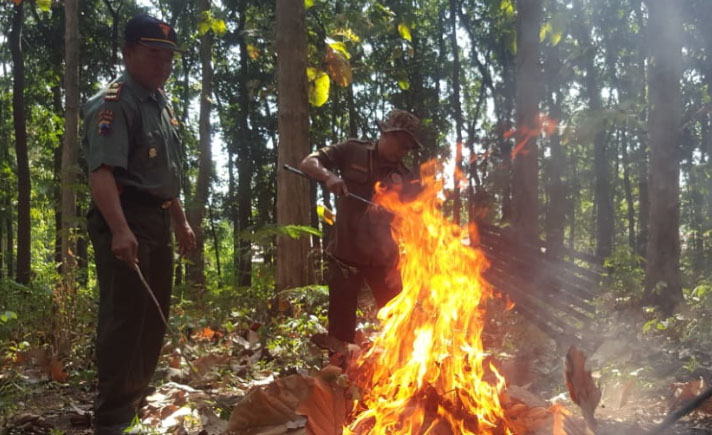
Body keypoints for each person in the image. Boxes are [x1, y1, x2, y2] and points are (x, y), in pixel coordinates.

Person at [83, 15, 196, 434]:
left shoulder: (161, 104)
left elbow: (166, 176)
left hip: (157, 219)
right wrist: (119, 229)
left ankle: (134, 402)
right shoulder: (113, 103)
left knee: (153, 313)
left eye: (169, 56)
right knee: (125, 317)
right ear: (128, 52)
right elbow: (102, 173)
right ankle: (112, 418)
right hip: (125, 216)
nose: (164, 63)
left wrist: (181, 222)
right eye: (154, 53)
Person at [299, 109, 423, 344]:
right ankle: (337, 373)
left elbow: (412, 225)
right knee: (341, 329)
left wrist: (394, 217)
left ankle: (400, 373)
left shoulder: (406, 178)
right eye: (400, 144)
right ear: (386, 134)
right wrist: (328, 177)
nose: (403, 152)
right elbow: (308, 162)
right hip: (345, 257)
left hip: (384, 263)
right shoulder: (352, 151)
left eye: (408, 148)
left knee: (400, 324)